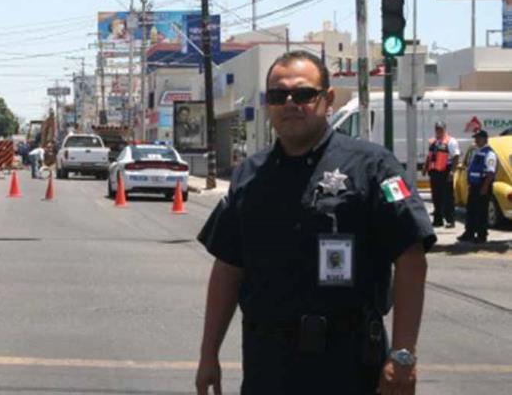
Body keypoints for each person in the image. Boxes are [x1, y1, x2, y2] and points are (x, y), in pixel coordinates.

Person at [195, 51, 435, 395]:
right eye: (278, 96)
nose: (290, 103)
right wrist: (208, 355)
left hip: (349, 368)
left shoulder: (372, 167)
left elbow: (411, 258)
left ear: (328, 99)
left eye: (304, 94)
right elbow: (228, 268)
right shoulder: (250, 175)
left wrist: (403, 355)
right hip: (268, 368)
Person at [460, 129, 497, 244]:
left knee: (481, 211)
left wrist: (485, 187)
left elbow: (491, 173)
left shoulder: (490, 154)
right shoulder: (476, 151)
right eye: (475, 138)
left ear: (485, 139)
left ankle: (481, 235)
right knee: (471, 210)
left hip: (483, 185)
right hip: (474, 186)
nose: (476, 140)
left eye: (478, 138)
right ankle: (469, 233)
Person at [421, 121, 460, 228]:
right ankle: (438, 220)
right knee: (436, 197)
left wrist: (452, 171)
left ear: (444, 129)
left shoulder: (450, 141)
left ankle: (450, 220)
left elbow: (456, 156)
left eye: (441, 129)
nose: (439, 131)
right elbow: (429, 156)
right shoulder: (433, 142)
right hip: (434, 172)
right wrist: (425, 167)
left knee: (447, 197)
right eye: (437, 129)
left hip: (445, 172)